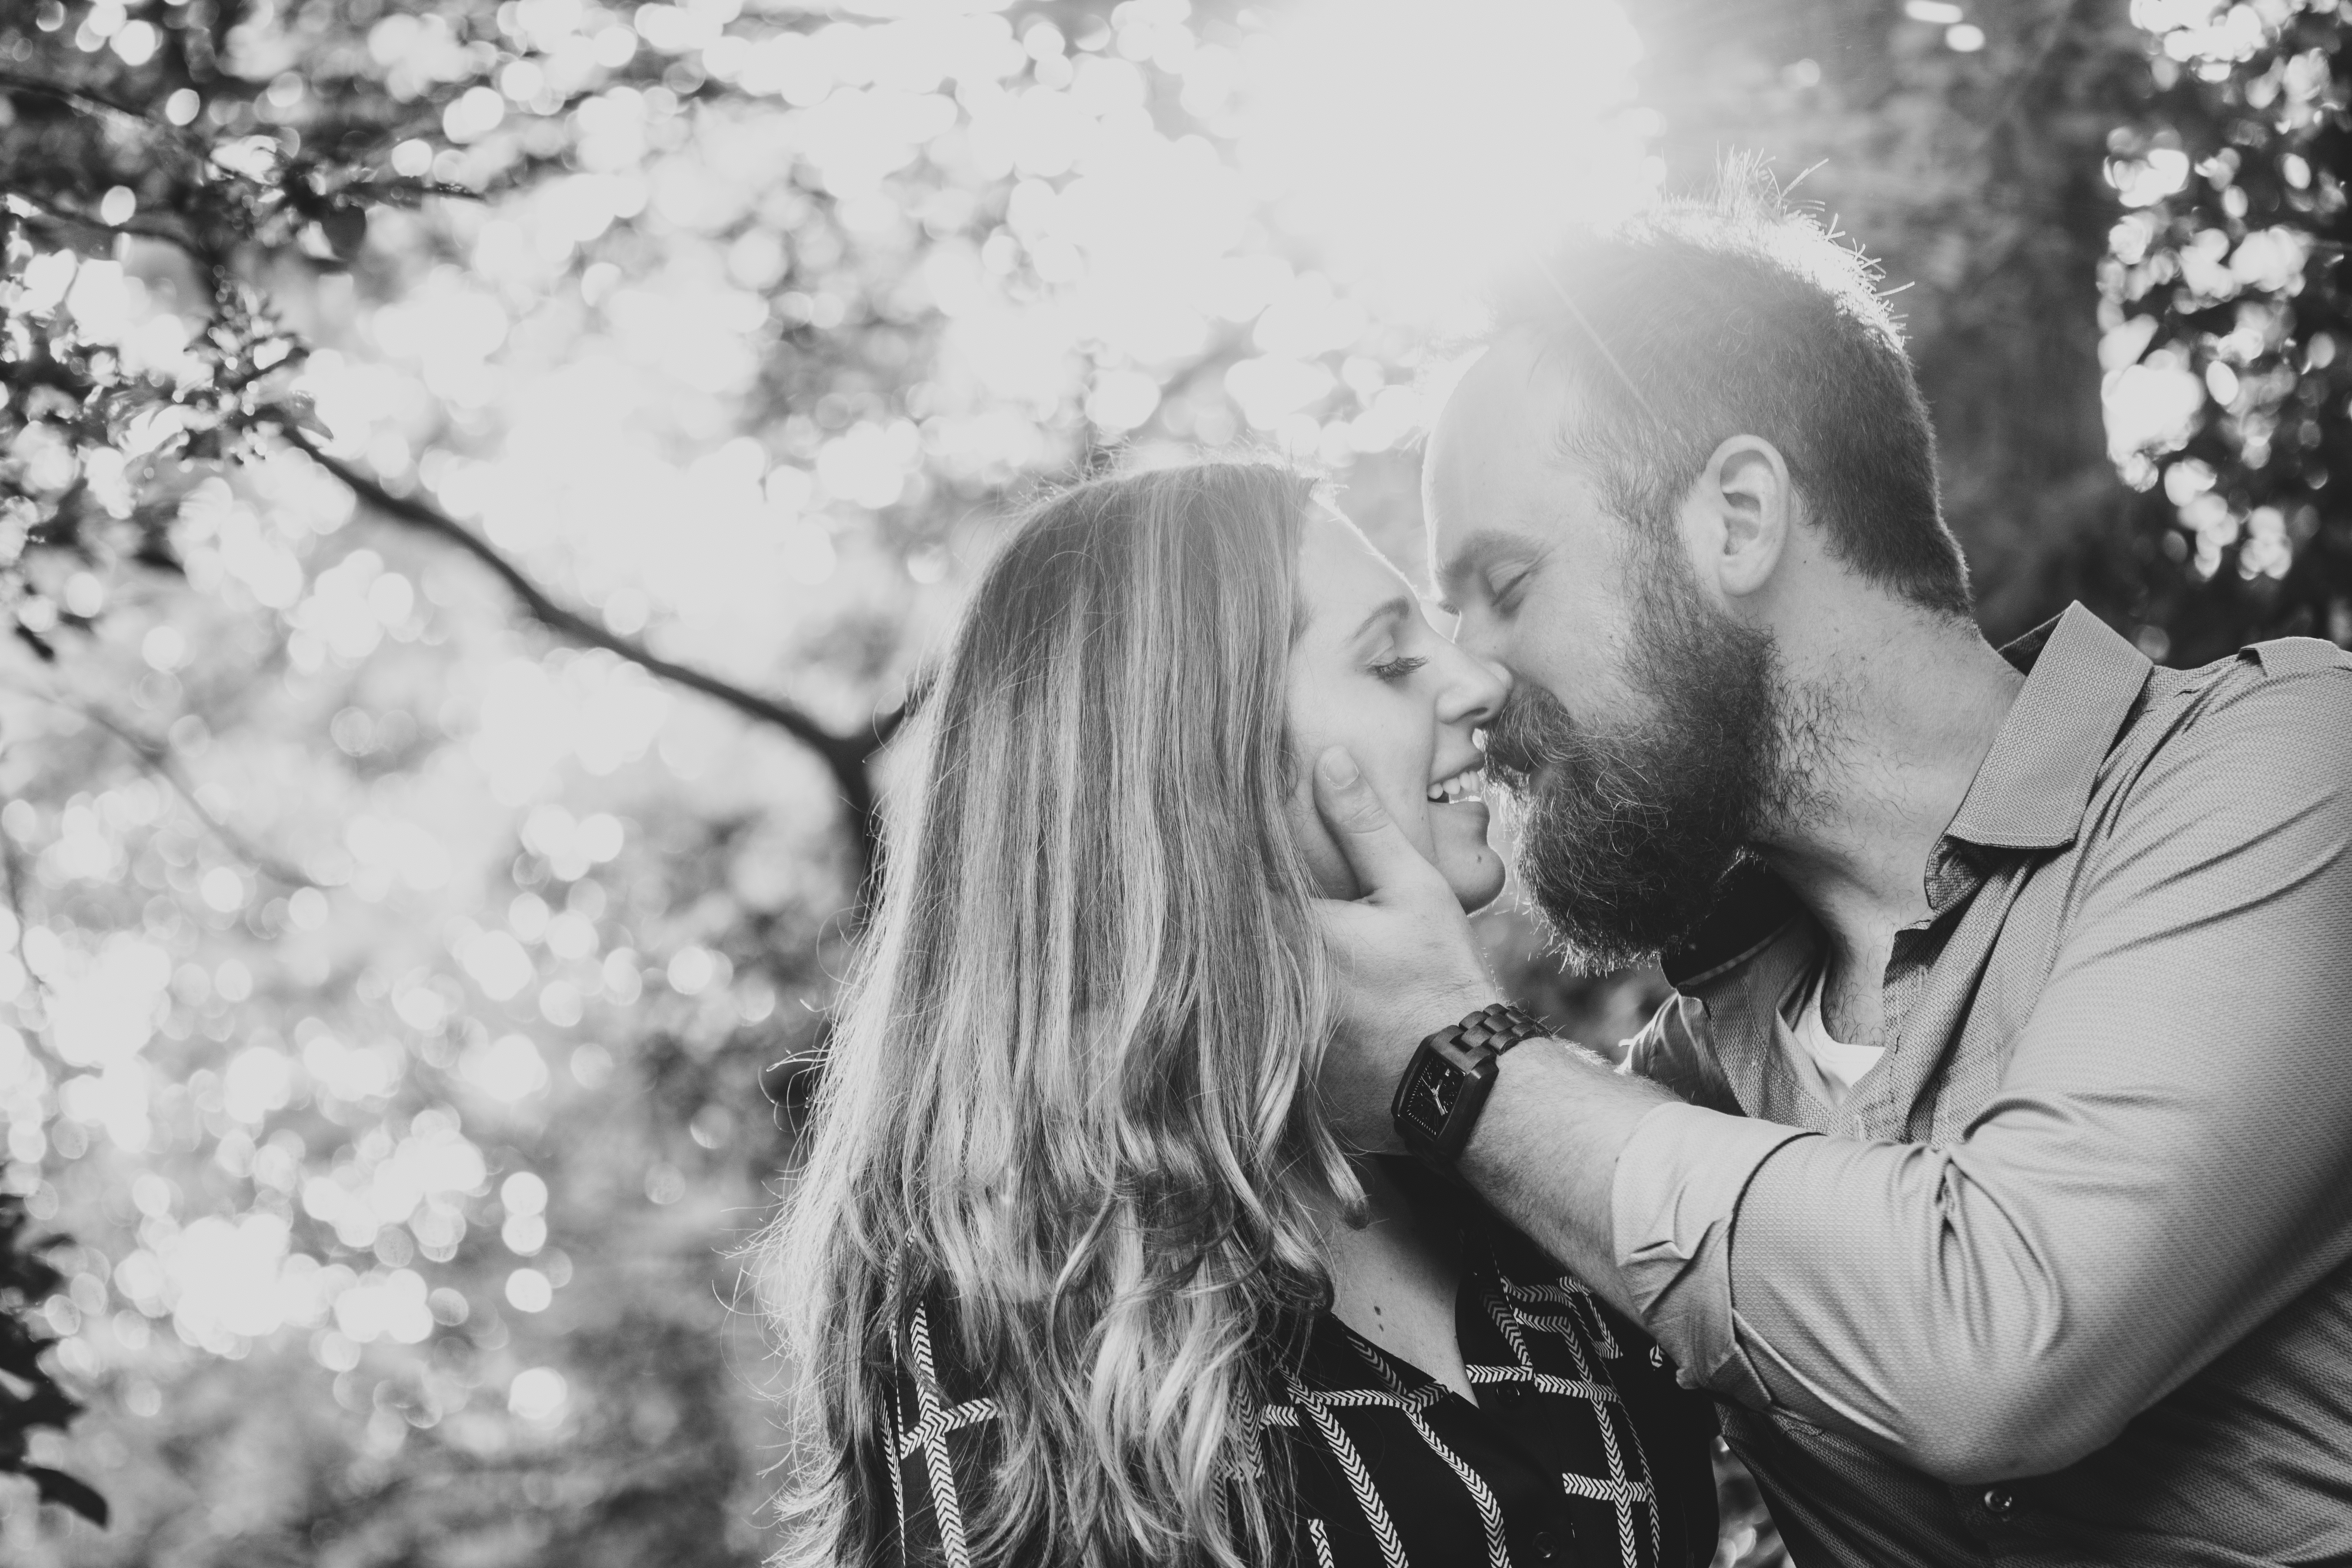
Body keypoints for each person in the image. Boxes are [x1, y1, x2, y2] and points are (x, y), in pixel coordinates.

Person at [1304, 176, 2352, 1566]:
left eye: (1505, 583)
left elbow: (1996, 1340)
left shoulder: (2279, 766)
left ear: (1738, 518)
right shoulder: (1690, 1076)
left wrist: (1462, 1061)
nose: (1477, 682)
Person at [762, 464, 1721, 1568]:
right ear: (1202, 767)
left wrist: (1471, 1052)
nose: (1476, 681)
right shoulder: (1001, 1284)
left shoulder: (1537, 1174)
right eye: (1394, 659)